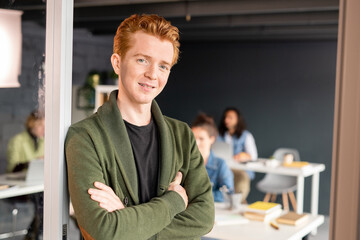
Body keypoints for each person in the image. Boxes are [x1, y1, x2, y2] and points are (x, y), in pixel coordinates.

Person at [65, 14, 214, 240]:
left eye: (163, 66)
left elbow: (204, 217)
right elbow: (105, 230)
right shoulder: (85, 137)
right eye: (142, 60)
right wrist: (174, 202)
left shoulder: (182, 134)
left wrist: (128, 223)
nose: (152, 74)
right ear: (117, 62)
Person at [217, 107, 258, 202]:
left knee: (240, 187)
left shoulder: (246, 135)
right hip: (224, 167)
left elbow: (253, 156)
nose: (226, 120)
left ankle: (237, 202)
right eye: (225, 117)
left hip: (240, 170)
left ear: (237, 119)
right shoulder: (219, 135)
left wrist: (244, 156)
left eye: (230, 117)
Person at [191, 113, 234, 202]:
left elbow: (228, 194)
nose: (196, 143)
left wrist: (198, 197)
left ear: (212, 139)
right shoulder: (184, 163)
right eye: (193, 138)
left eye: (201, 138)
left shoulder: (220, 164)